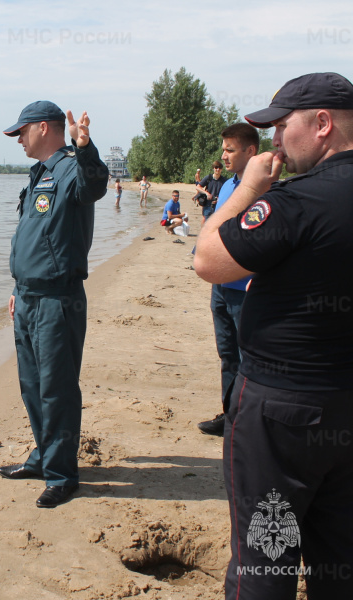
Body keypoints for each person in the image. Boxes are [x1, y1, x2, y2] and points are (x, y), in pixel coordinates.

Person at [194, 72, 353, 599]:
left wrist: (248, 188)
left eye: (284, 125)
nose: (277, 140)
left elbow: (208, 260)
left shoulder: (296, 202)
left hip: (282, 417)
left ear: (323, 124)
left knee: (266, 562)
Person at [0, 100, 108, 508]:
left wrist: (85, 145)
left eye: (21, 132)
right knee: (32, 386)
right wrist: (17, 287)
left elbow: (94, 185)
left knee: (56, 390)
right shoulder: (40, 174)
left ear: (44, 128)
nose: (18, 140)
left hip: (57, 299)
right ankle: (44, 457)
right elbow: (31, 238)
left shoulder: (71, 168)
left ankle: (63, 476)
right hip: (28, 297)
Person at [197, 124, 259, 437]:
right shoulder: (227, 186)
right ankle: (230, 415)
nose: (224, 155)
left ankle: (250, 422)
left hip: (245, 289)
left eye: (230, 150)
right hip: (220, 287)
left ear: (251, 151)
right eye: (224, 149)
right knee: (227, 355)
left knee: (250, 357)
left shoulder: (262, 189)